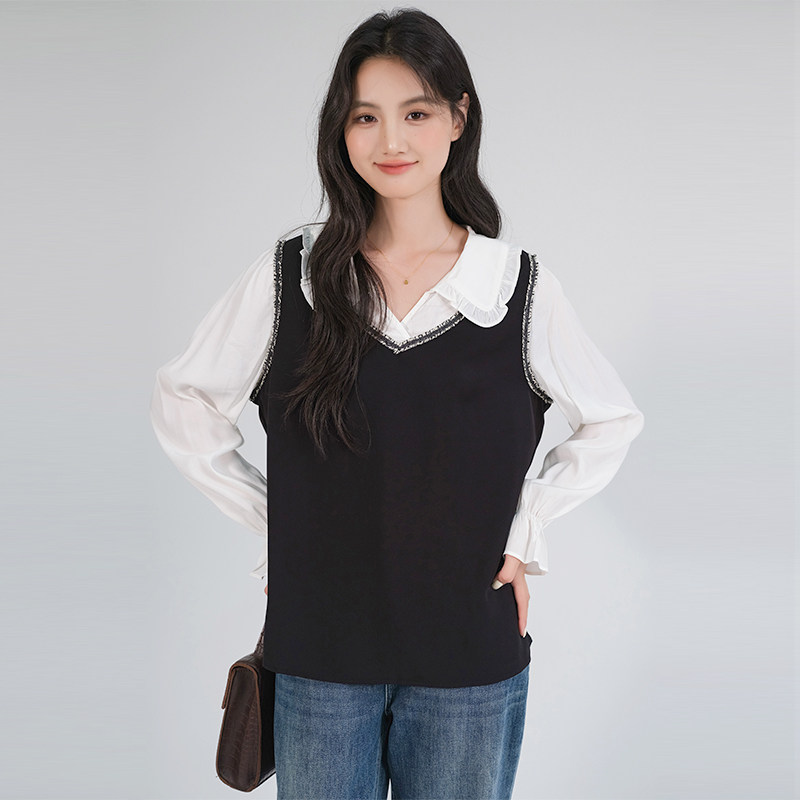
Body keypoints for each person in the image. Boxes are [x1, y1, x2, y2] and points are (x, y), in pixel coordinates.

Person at [149, 7, 644, 799]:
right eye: (364, 117)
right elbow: (185, 399)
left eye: (415, 113)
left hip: (468, 655)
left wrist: (528, 528)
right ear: (340, 131)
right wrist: (281, 526)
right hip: (319, 652)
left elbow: (611, 418)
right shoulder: (294, 276)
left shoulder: (515, 286)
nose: (391, 140)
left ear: (458, 117)